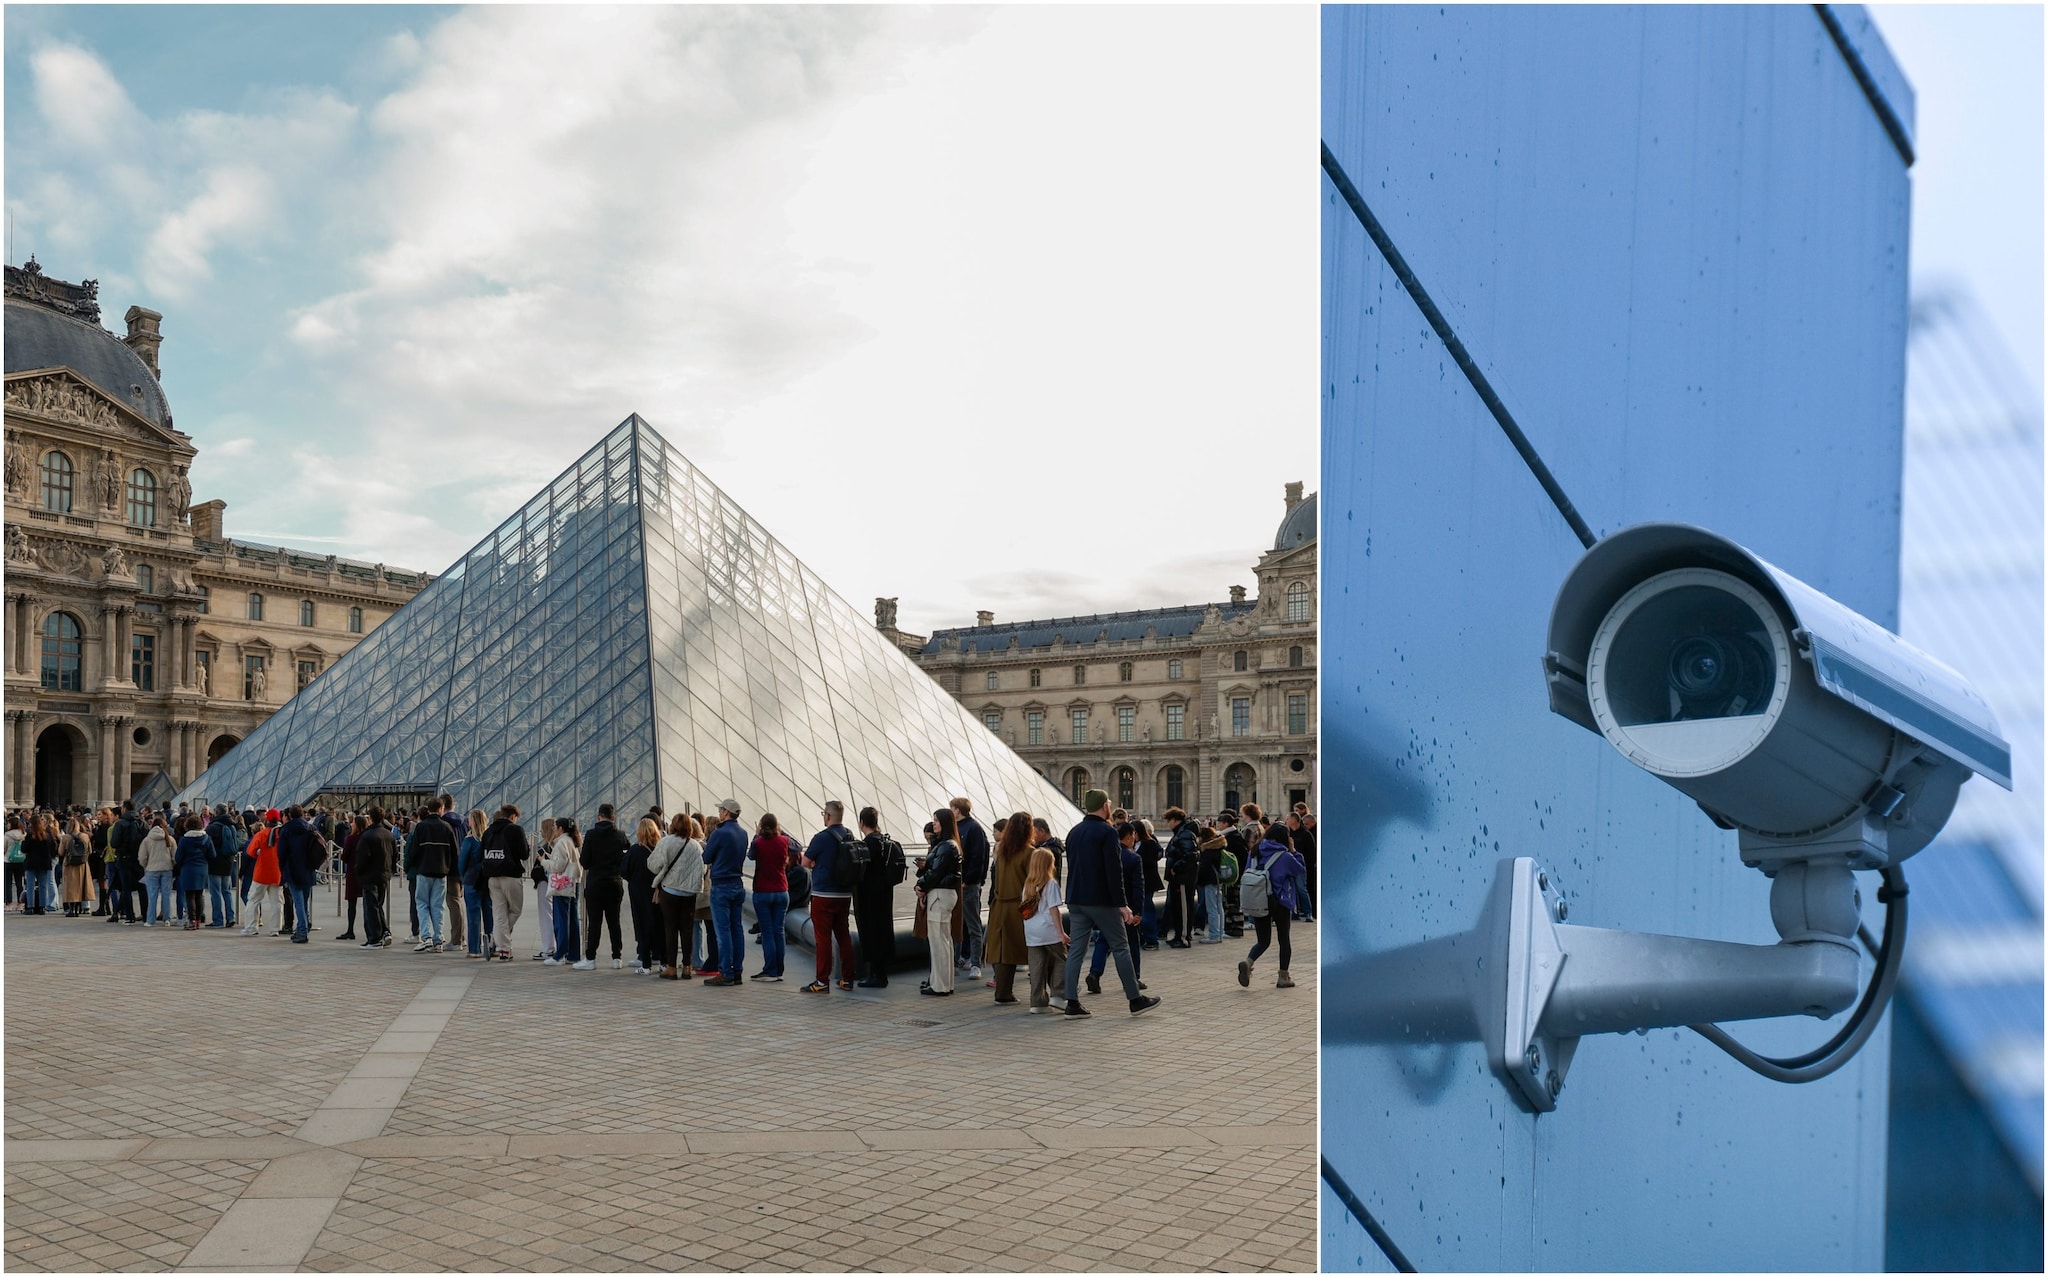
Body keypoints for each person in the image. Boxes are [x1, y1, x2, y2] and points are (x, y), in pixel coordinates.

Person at [1060, 789, 1159, 1017]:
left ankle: (1071, 1003)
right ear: (1105, 806)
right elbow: (1113, 872)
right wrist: (1122, 903)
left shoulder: (1074, 832)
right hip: (1102, 900)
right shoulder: (1107, 832)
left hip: (1076, 899)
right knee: (1121, 947)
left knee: (1076, 951)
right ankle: (1135, 999)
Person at [1239, 821, 1307, 990]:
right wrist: (1293, 851)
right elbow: (1300, 870)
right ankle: (1283, 977)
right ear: (1285, 838)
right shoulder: (1284, 856)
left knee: (1263, 940)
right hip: (1280, 901)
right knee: (1284, 939)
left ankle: (1248, 962)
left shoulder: (1254, 852)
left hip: (1258, 899)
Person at [1085, 821, 1149, 997]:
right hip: (1126, 908)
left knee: (1104, 941)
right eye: (1133, 836)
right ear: (1128, 837)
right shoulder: (1134, 858)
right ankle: (1134, 978)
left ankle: (1094, 973)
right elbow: (1138, 887)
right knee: (1132, 944)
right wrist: (1138, 912)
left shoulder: (1105, 855)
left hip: (1107, 906)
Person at [800, 802, 858, 993]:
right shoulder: (849, 834)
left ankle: (822, 981)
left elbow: (805, 862)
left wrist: (814, 862)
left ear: (828, 816)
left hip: (823, 894)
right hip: (844, 894)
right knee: (843, 935)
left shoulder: (821, 838)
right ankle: (848, 979)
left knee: (822, 938)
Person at [983, 811, 1033, 1005]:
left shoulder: (1001, 851)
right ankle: (1051, 991)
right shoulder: (1030, 852)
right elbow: (1034, 885)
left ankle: (1003, 993)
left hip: (999, 906)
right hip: (1021, 908)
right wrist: (1031, 912)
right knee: (1038, 949)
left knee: (1004, 952)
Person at [699, 800, 749, 986]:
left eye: (720, 809)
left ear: (726, 812)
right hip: (737, 883)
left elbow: (707, 857)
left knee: (723, 931)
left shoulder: (719, 833)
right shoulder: (743, 833)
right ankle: (737, 971)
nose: (719, 812)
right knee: (737, 929)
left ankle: (725, 972)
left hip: (721, 886)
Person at [851, 808, 902, 987]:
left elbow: (860, 873)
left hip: (868, 897)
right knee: (883, 930)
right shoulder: (884, 841)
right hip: (884, 894)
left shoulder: (867, 845)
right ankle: (881, 973)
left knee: (871, 933)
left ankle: (877, 975)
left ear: (862, 823)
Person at [647, 812, 702, 979]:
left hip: (670, 891)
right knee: (687, 929)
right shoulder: (695, 846)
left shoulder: (666, 842)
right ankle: (687, 967)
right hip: (689, 893)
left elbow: (653, 864)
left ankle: (671, 967)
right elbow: (703, 868)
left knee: (670, 929)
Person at [916, 808, 963, 996]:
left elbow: (935, 874)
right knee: (943, 941)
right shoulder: (948, 844)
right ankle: (944, 983)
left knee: (939, 942)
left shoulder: (945, 846)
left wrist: (921, 885)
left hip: (940, 895)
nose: (933, 823)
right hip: (944, 894)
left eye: (936, 820)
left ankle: (940, 985)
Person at [578, 806, 629, 970]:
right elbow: (625, 857)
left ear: (598, 816)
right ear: (613, 818)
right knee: (614, 922)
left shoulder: (591, 835)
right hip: (614, 883)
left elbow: (584, 861)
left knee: (595, 922)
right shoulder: (620, 835)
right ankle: (617, 958)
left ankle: (591, 958)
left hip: (595, 883)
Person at [480, 805, 532, 961]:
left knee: (499, 914)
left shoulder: (488, 832)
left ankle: (504, 949)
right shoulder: (515, 830)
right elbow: (524, 854)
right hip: (511, 876)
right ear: (513, 816)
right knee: (515, 910)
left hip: (492, 877)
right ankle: (497, 940)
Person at [1020, 845, 1068, 1013]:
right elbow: (1054, 910)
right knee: (1062, 960)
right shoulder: (1051, 884)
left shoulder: (1028, 885)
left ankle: (1037, 1003)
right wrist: (1061, 933)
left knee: (1036, 966)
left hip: (1031, 930)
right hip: (1048, 930)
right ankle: (1058, 994)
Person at [747, 813, 792, 983]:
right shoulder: (784, 841)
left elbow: (750, 855)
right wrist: (782, 832)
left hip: (763, 891)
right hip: (782, 890)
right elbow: (796, 846)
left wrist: (757, 834)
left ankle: (770, 970)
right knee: (778, 931)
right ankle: (779, 970)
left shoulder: (758, 842)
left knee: (767, 933)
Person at [408, 802, 458, 953]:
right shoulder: (447, 827)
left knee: (422, 904)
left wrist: (414, 866)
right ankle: (438, 939)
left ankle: (426, 937)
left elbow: (413, 851)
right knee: (438, 906)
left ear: (429, 809)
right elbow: (454, 853)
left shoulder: (421, 827)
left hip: (424, 871)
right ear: (441, 809)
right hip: (441, 872)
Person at [952, 797, 990, 981]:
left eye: (952, 808)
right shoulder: (958, 828)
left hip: (967, 885)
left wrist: (970, 880)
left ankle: (975, 964)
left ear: (958, 810)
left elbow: (978, 856)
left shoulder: (973, 828)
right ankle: (956, 961)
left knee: (973, 925)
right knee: (956, 925)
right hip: (956, 885)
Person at [276, 805, 325, 944]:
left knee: (298, 901)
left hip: (292, 869)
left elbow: (281, 853)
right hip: (309, 868)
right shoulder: (310, 828)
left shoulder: (286, 830)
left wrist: (282, 869)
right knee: (303, 901)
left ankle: (302, 931)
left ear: (290, 815)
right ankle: (302, 927)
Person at [354, 810, 397, 950]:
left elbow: (362, 858)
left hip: (369, 875)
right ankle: (385, 932)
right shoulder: (388, 834)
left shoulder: (366, 836)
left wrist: (358, 872)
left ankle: (374, 938)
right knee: (378, 905)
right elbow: (394, 855)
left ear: (370, 818)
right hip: (384, 874)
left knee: (371, 907)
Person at [543, 817, 582, 966]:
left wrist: (543, 861)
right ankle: (573, 954)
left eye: (554, 827)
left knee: (561, 920)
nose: (553, 829)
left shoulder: (561, 843)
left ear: (560, 829)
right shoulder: (571, 841)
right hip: (573, 883)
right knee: (572, 920)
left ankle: (560, 954)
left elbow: (558, 866)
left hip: (562, 886)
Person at [625, 817, 661, 975]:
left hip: (639, 892)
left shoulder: (635, 850)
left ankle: (646, 963)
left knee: (642, 925)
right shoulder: (660, 848)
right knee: (659, 925)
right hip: (658, 892)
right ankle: (663, 960)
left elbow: (624, 870)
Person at [244, 812, 285, 936]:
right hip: (277, 872)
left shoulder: (261, 834)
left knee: (253, 900)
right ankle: (275, 929)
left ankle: (251, 928)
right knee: (277, 902)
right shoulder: (282, 834)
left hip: (261, 872)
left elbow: (250, 851)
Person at [173, 815, 213, 930]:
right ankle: (198, 920)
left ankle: (192, 920)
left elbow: (178, 857)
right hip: (202, 869)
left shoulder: (184, 840)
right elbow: (213, 854)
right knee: (199, 895)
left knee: (189, 896)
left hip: (188, 869)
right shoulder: (207, 838)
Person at [137, 814, 175, 925]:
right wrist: (171, 864)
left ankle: (150, 919)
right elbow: (174, 856)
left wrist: (145, 865)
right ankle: (167, 918)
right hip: (167, 869)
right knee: (166, 894)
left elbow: (142, 857)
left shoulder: (147, 839)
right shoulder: (170, 839)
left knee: (152, 895)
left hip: (152, 869)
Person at [1196, 820, 1229, 944]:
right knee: (1219, 907)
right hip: (1218, 880)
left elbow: (1203, 868)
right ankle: (1220, 932)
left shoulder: (1208, 850)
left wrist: (1199, 881)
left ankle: (1214, 935)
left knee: (1212, 908)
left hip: (1210, 881)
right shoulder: (1218, 847)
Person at [335, 815, 365, 940]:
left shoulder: (351, 839)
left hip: (353, 872)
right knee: (369, 903)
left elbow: (345, 856)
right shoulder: (366, 837)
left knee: (352, 904)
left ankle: (350, 930)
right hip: (365, 873)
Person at [1135, 819, 1165, 948]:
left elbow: (1150, 862)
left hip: (1147, 882)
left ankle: (1152, 939)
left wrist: (1134, 858)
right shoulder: (1137, 843)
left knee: (1147, 910)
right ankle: (1144, 937)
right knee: (1142, 910)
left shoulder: (1149, 843)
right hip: (1140, 882)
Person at [60, 817, 95, 916]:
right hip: (82, 864)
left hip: (70, 864)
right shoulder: (85, 836)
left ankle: (71, 910)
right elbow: (90, 850)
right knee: (81, 886)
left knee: (70, 887)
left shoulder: (66, 837)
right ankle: (79, 908)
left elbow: (61, 852)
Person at [4, 814, 24, 910]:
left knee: (7, 882)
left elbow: (4, 847)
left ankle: (9, 903)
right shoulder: (24, 834)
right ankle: (20, 903)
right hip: (20, 860)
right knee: (19, 882)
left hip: (9, 860)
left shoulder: (7, 835)